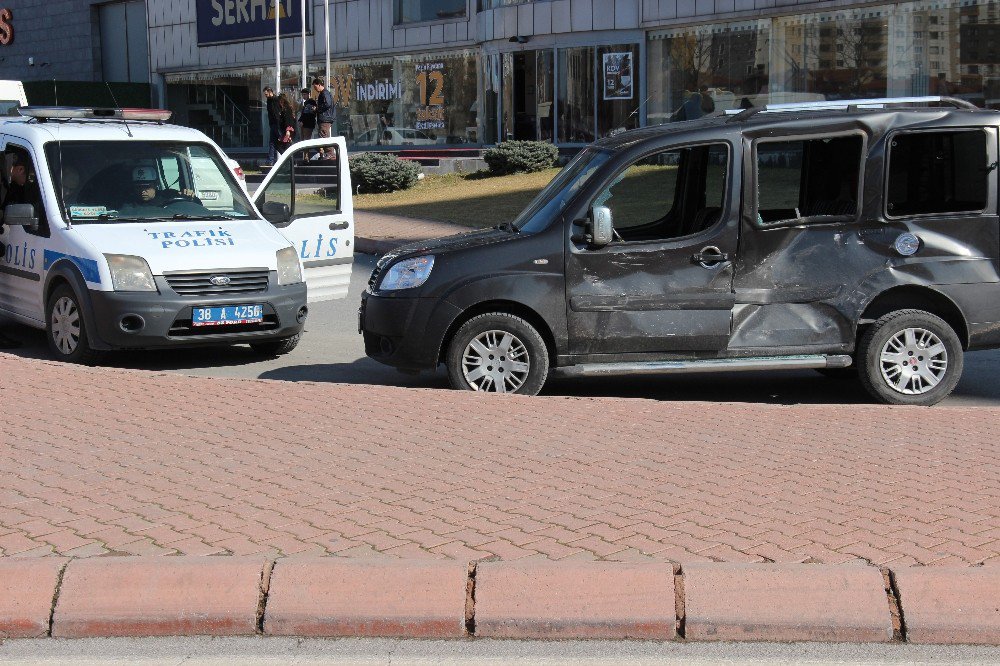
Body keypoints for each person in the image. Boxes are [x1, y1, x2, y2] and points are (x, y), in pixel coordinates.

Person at [263, 87, 294, 166]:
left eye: (266, 94)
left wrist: (283, 126)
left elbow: (281, 114)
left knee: (282, 143)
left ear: (270, 92)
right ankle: (270, 160)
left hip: (278, 124)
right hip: (273, 124)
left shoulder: (277, 100)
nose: (265, 96)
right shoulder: (269, 101)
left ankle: (288, 159)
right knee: (273, 143)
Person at [313, 77, 335, 159]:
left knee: (324, 135)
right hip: (325, 118)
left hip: (325, 118)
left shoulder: (324, 93)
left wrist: (317, 108)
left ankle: (330, 154)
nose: (315, 89)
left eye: (315, 87)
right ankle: (326, 154)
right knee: (322, 136)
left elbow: (328, 104)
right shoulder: (324, 93)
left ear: (319, 85)